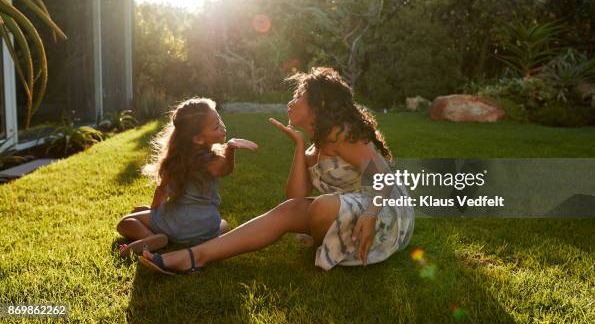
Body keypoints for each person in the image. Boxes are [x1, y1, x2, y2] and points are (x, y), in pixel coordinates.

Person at [139, 68, 414, 274]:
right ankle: (194, 257)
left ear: (318, 105)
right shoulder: (314, 148)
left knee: (321, 207)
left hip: (384, 211)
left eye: (299, 96)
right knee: (289, 210)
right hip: (346, 208)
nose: (291, 102)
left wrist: (370, 213)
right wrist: (298, 146)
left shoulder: (341, 133)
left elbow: (385, 175)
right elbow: (295, 197)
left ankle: (345, 241)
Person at [116, 97, 258, 257]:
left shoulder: (173, 162)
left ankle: (151, 237)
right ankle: (203, 238)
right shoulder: (213, 161)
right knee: (222, 223)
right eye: (216, 126)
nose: (223, 129)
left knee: (125, 222)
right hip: (206, 228)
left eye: (220, 121)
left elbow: (161, 191)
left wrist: (153, 214)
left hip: (176, 224)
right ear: (198, 138)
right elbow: (227, 169)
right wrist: (230, 150)